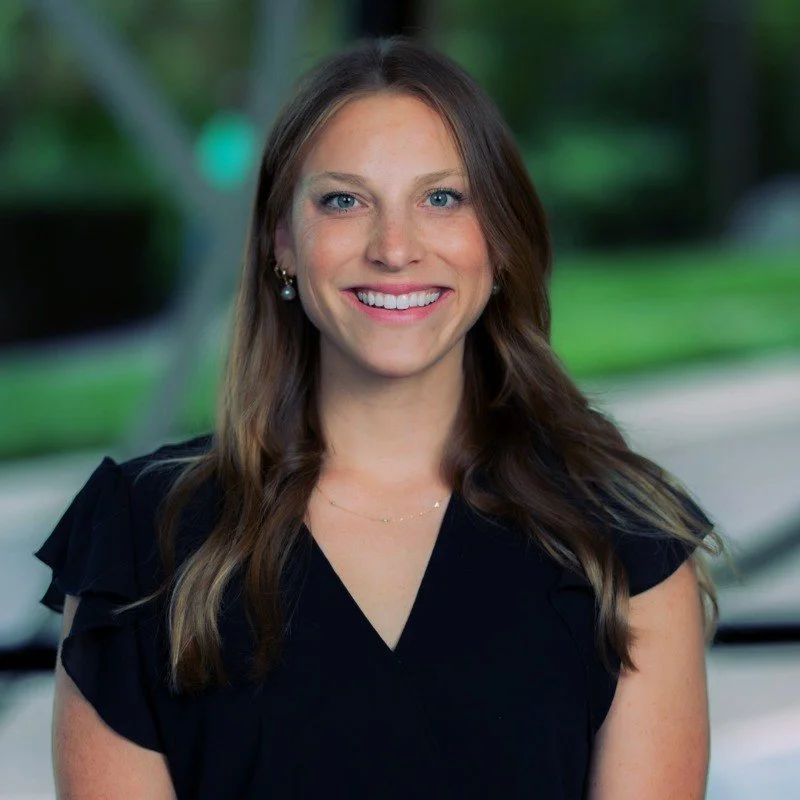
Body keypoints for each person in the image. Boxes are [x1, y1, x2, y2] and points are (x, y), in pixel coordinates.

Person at [34, 37, 723, 800]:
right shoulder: (140, 537)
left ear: (497, 240)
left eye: (442, 198)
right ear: (282, 243)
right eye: (343, 200)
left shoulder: (622, 533)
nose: (395, 248)